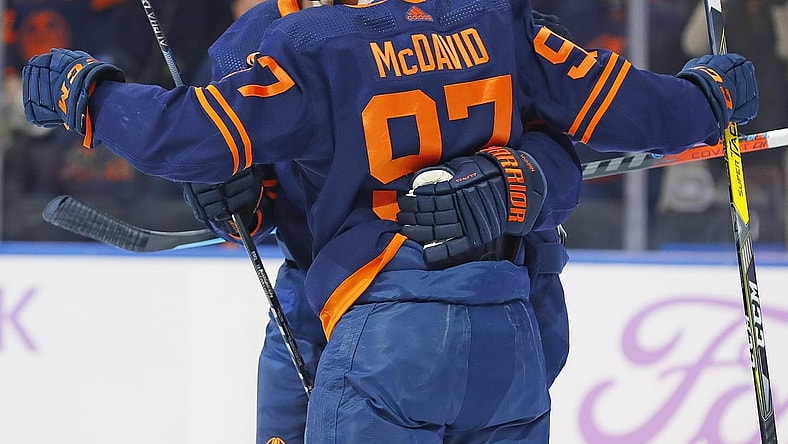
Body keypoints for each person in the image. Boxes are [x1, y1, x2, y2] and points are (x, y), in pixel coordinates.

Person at [21, 0, 758, 440]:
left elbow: (186, 136)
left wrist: (85, 95)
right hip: (507, 325)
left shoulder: (296, 46)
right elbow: (618, 103)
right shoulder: (491, 19)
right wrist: (708, 96)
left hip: (381, 316)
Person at [184, 3, 581, 442]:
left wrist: (516, 178)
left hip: (501, 294)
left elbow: (560, 167)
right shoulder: (247, 45)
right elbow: (257, 205)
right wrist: (234, 199)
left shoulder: (486, 15)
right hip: (325, 299)